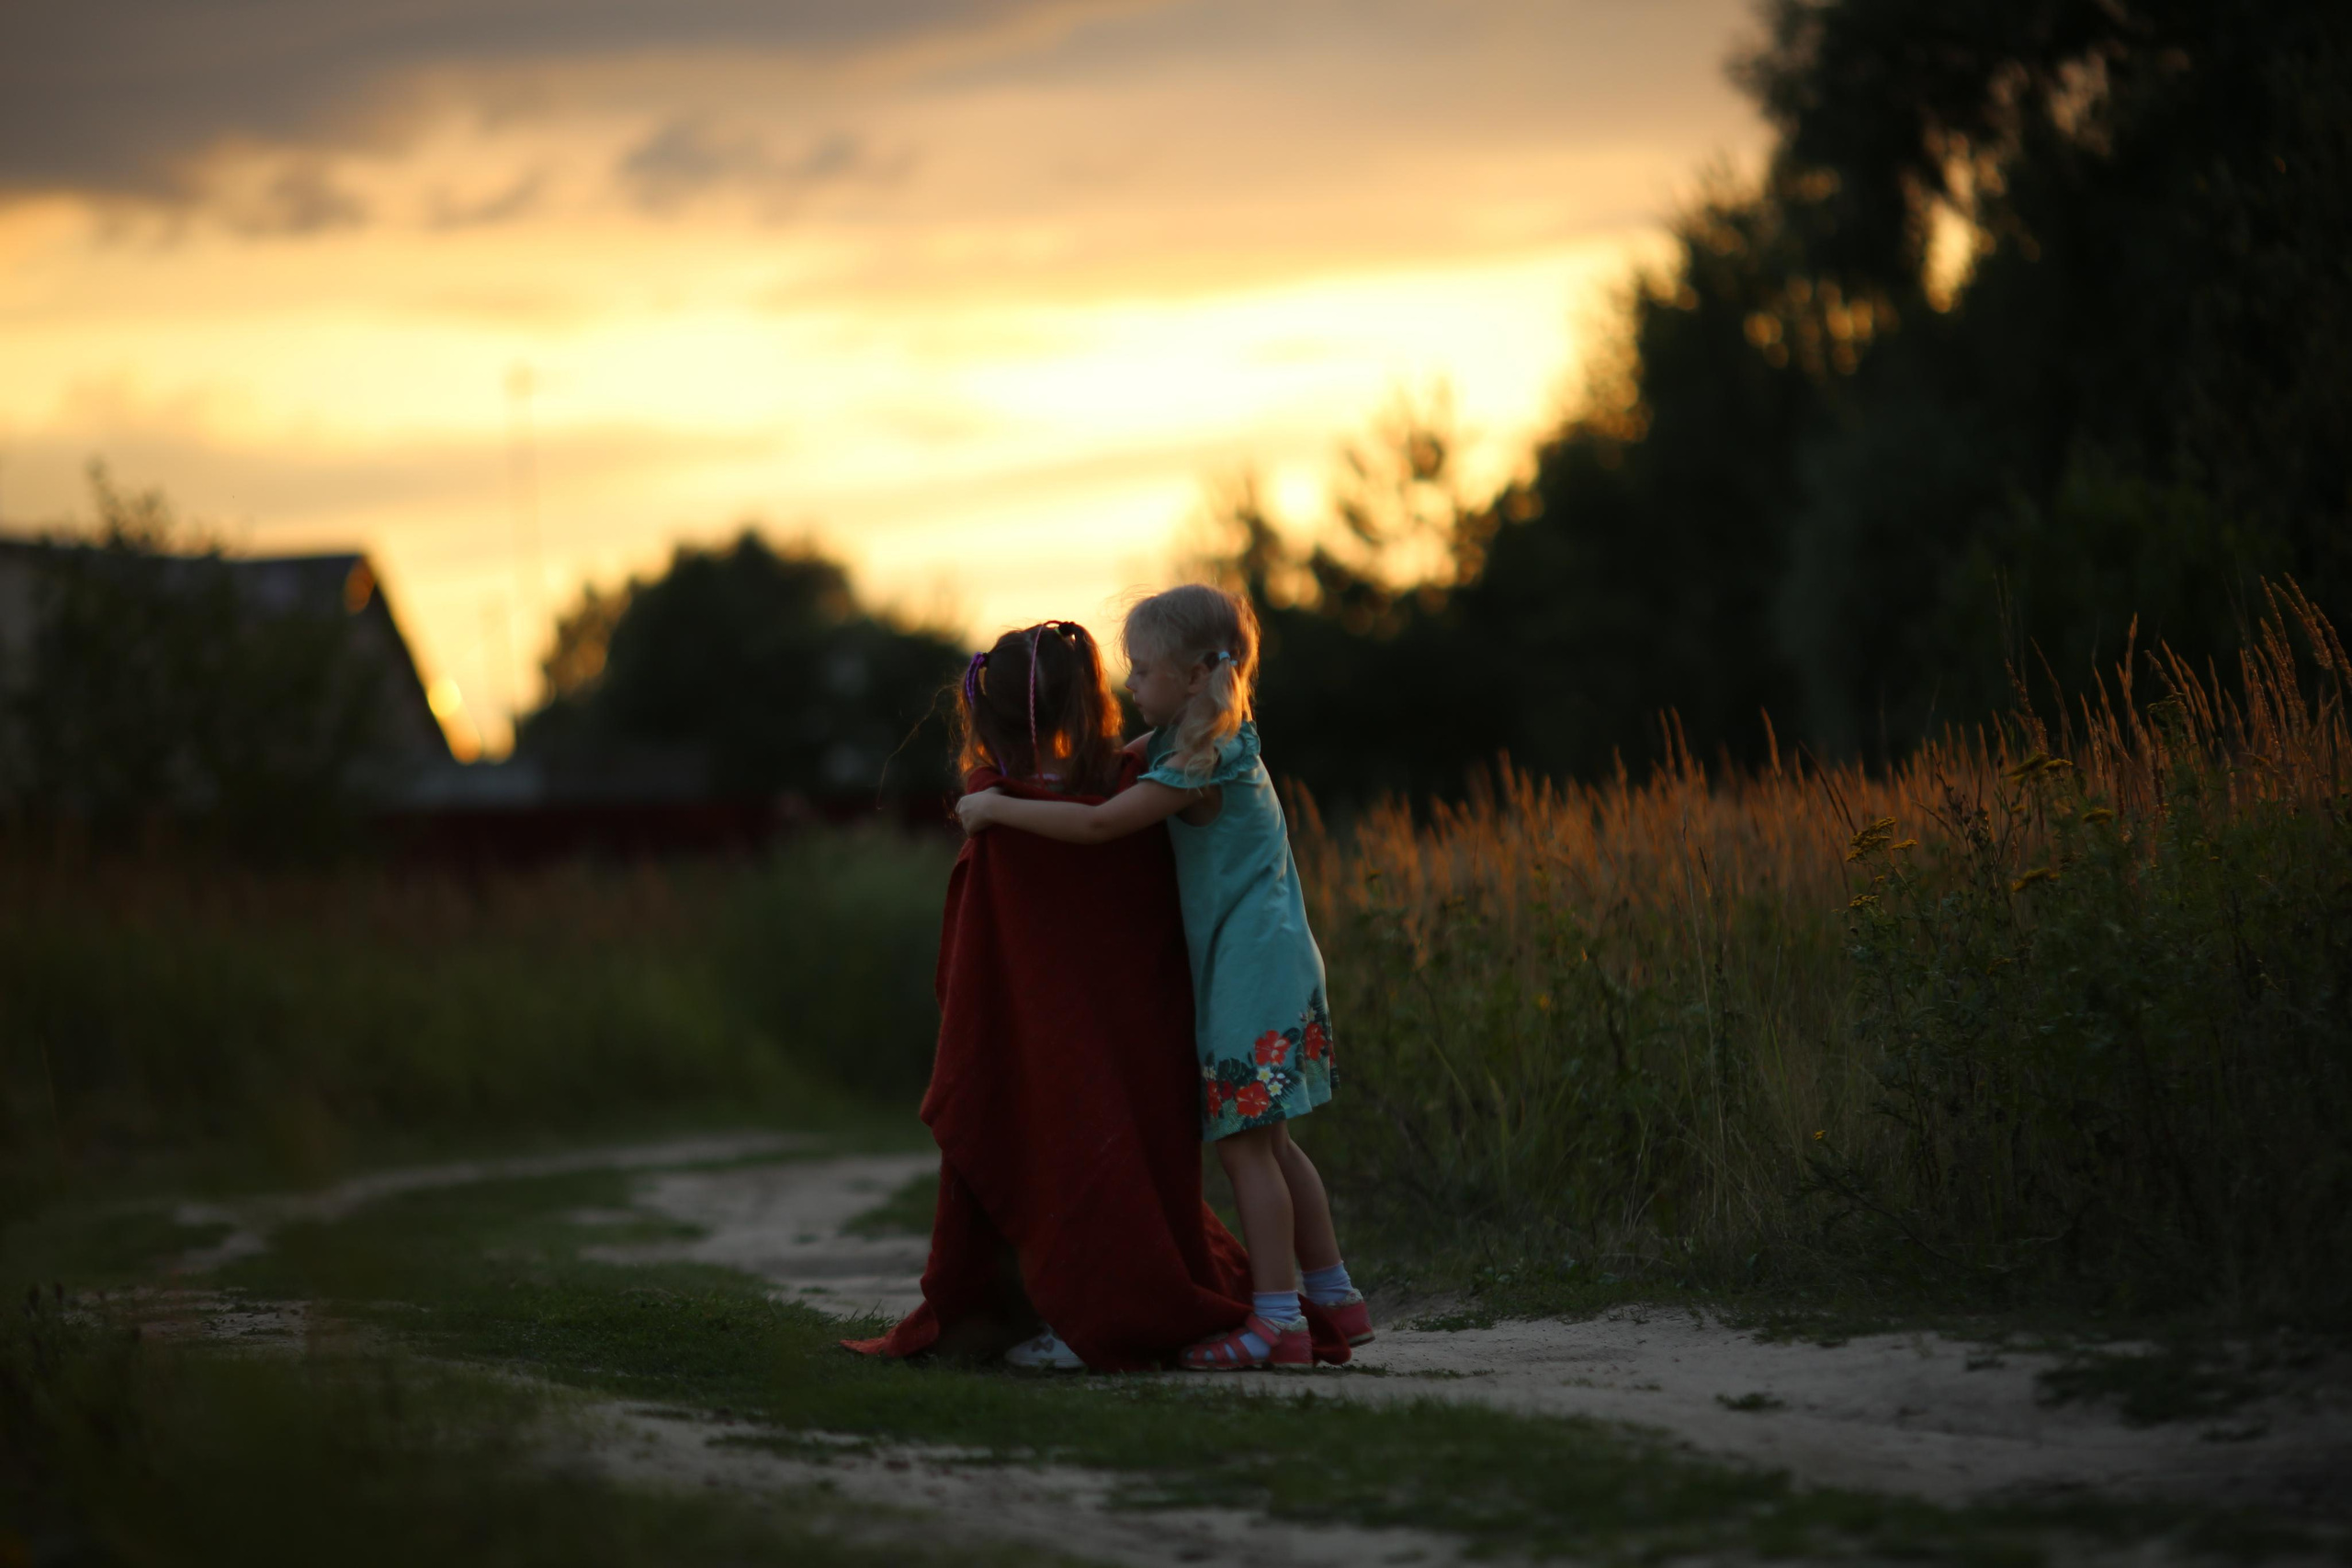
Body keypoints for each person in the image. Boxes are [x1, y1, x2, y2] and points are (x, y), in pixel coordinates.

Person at [845, 619, 1344, 1372]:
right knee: (1270, 1144)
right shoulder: (1192, 750)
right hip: (1233, 985)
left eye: (1141, 672)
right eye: (1124, 678)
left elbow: (1090, 840)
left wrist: (997, 810)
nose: (1131, 686)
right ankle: (1334, 1293)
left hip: (1226, 986)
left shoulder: (1071, 801)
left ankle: (1279, 1320)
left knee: (1245, 1152)